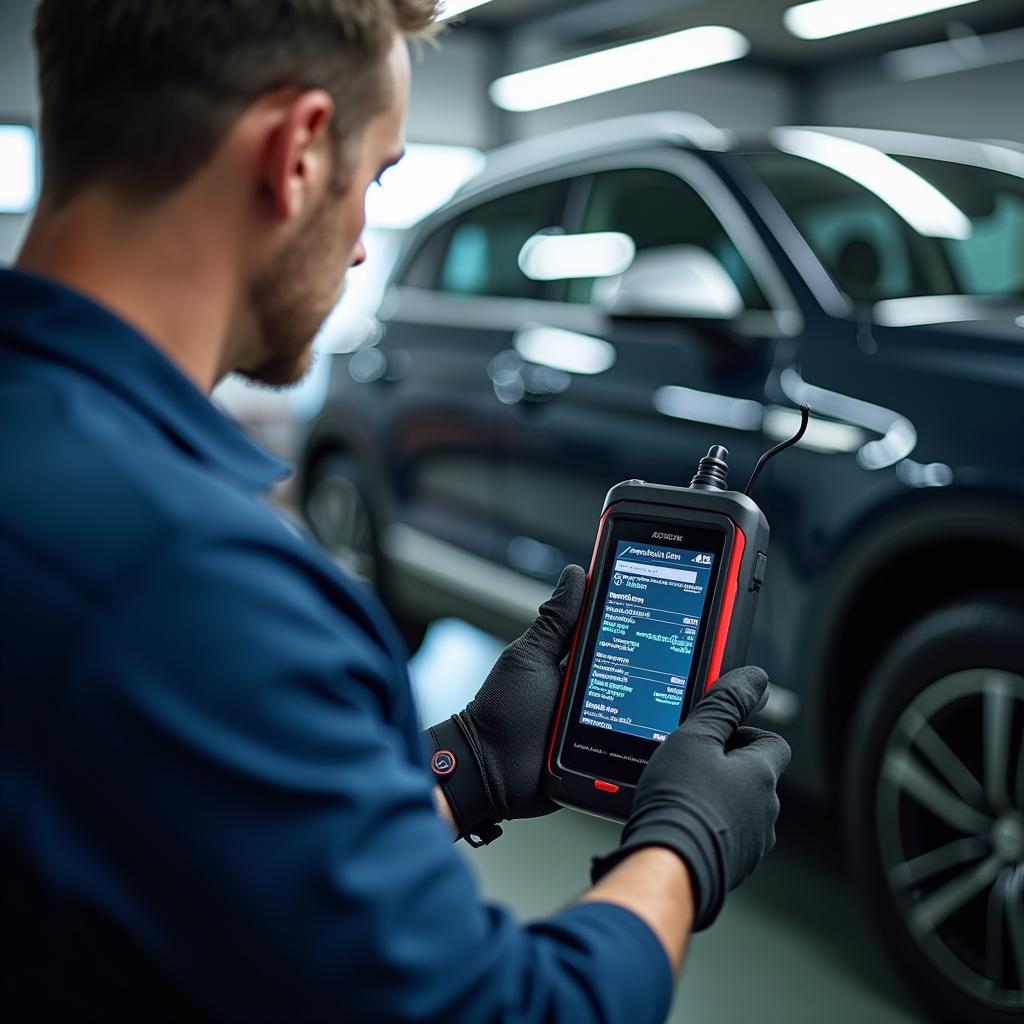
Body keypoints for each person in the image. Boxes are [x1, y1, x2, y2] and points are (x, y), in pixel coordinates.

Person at [0, 2, 791, 1021]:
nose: (366, 245)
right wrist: (684, 845)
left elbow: (199, 834)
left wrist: (463, 761)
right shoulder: (184, 580)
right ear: (294, 153)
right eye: (375, 178)